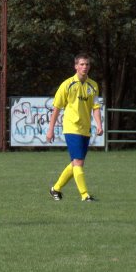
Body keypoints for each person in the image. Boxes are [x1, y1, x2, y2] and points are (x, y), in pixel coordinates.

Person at [46, 52, 103, 202]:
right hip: (71, 128)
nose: (84, 67)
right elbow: (57, 108)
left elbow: (95, 107)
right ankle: (85, 195)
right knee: (78, 162)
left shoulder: (93, 85)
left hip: (86, 129)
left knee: (77, 163)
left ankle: (56, 189)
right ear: (76, 66)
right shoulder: (67, 84)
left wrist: (99, 124)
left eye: (87, 64)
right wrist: (50, 129)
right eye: (82, 64)